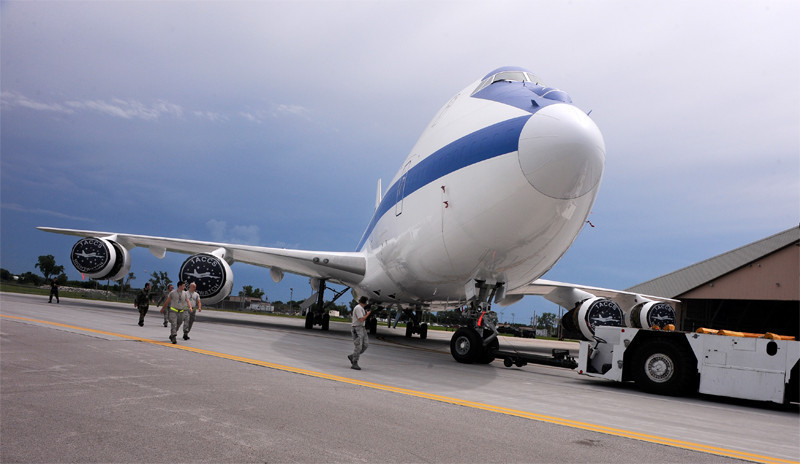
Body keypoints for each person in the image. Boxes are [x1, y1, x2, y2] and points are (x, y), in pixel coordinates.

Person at [348, 296, 372, 370]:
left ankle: (353, 356)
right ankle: (354, 362)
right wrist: (368, 314)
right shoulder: (358, 308)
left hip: (362, 328)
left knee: (365, 344)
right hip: (357, 328)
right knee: (358, 346)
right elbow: (361, 319)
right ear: (365, 302)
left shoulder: (361, 308)